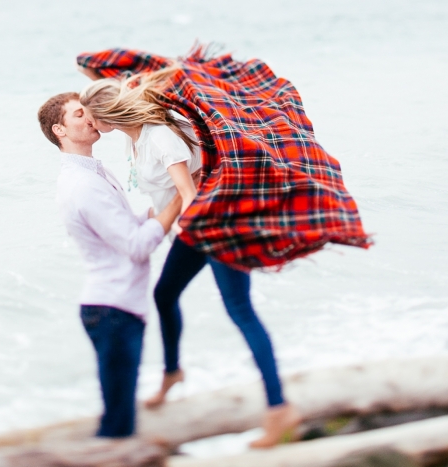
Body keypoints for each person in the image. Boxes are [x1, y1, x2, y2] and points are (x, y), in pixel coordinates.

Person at [79, 76, 301, 449]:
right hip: (192, 231)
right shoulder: (137, 138)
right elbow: (166, 193)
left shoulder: (158, 135)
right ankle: (172, 373)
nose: (87, 123)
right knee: (165, 295)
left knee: (241, 311)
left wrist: (181, 229)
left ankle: (280, 409)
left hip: (215, 228)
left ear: (107, 115)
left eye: (89, 115)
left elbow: (188, 193)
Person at [37, 92, 182, 438]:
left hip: (115, 308)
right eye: (78, 115)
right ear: (60, 130)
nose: (89, 118)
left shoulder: (92, 172)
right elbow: (135, 245)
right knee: (119, 426)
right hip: (113, 310)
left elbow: (123, 225)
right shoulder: (83, 184)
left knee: (119, 417)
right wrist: (179, 198)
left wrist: (157, 210)